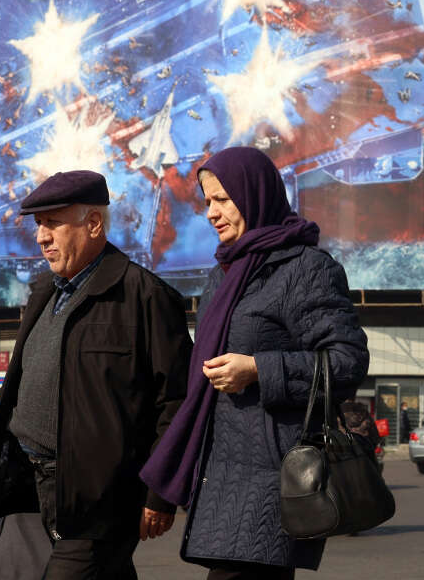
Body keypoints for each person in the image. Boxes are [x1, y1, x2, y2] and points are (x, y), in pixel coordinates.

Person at [141, 146, 369, 580]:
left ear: (255, 193)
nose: (212, 212)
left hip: (269, 483)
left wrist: (260, 370)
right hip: (221, 480)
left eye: (223, 199)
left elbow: (347, 361)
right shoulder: (225, 273)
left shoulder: (305, 268)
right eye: (207, 201)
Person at [0, 170, 193, 580]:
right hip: (30, 493)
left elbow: (176, 402)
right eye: (38, 225)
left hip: (97, 499)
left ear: (92, 224)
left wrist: (160, 494)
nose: (41, 237)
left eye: (52, 223)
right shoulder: (44, 293)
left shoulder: (145, 296)